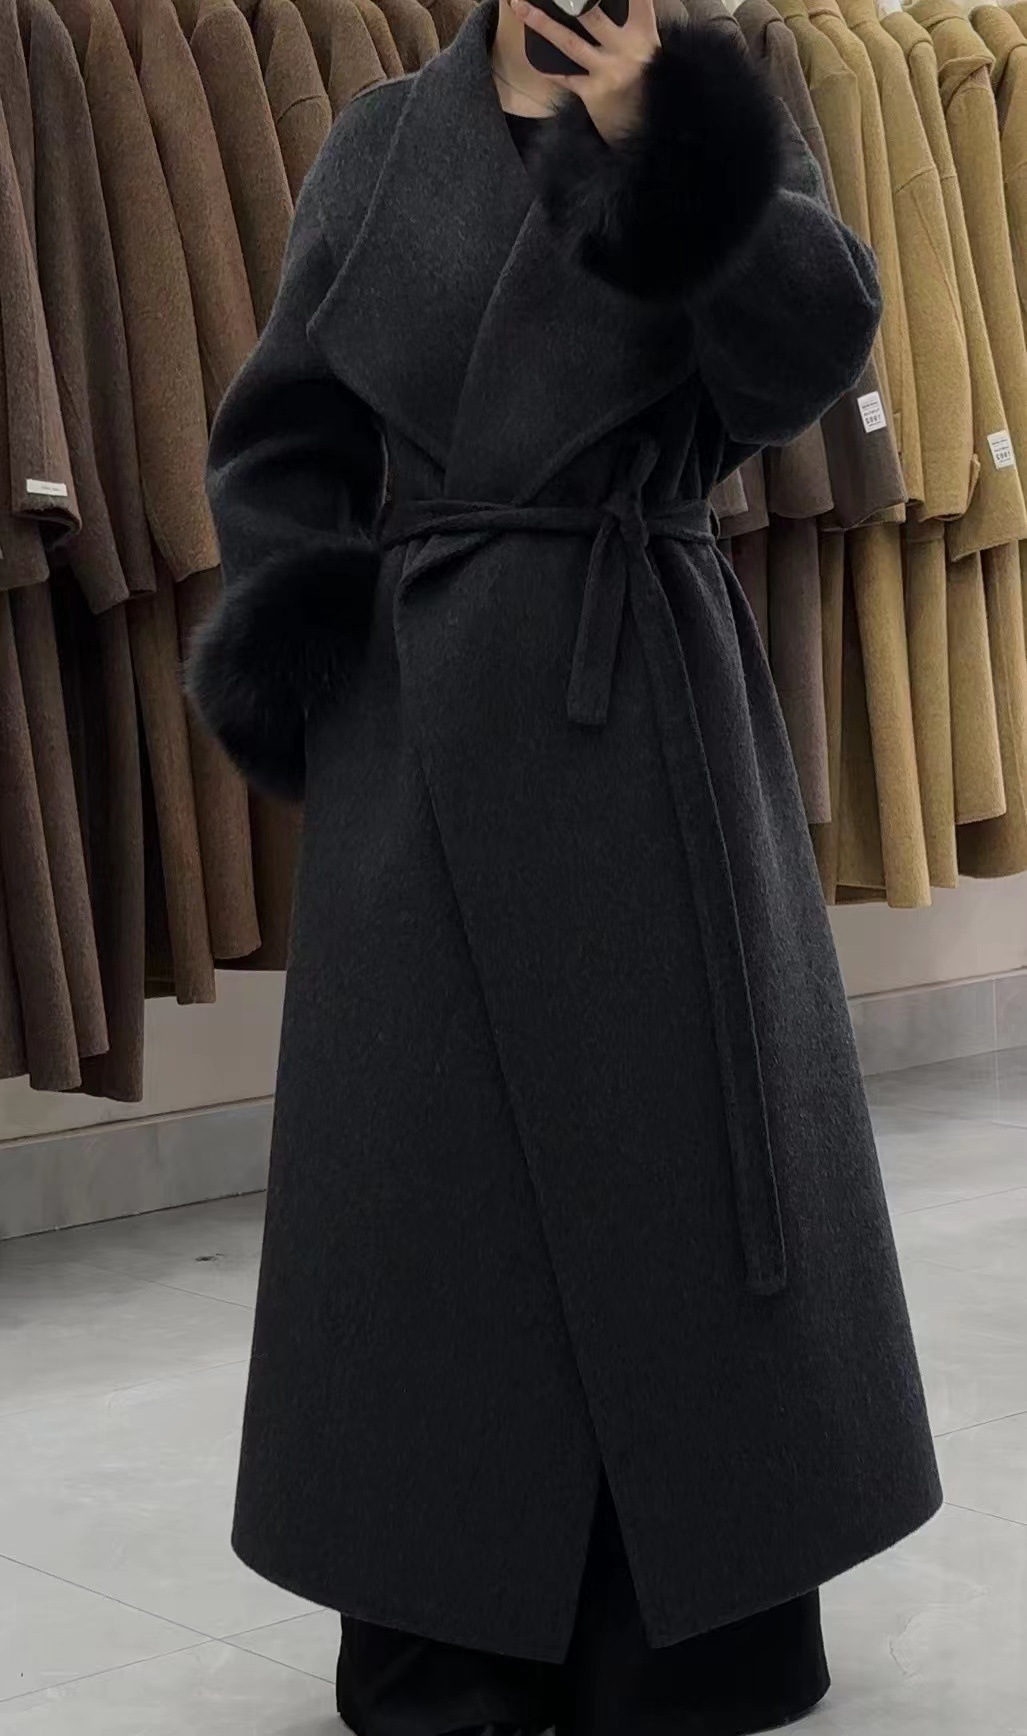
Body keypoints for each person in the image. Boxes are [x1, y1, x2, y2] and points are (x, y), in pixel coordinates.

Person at [188, 1, 942, 1730]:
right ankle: (445, 1633)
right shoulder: (383, 140)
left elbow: (809, 356)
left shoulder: (717, 107)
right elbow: (279, 439)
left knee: (675, 1175)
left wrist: (664, 143)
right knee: (433, 1196)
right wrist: (321, 662)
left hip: (647, 711)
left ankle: (695, 1627)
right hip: (421, 734)